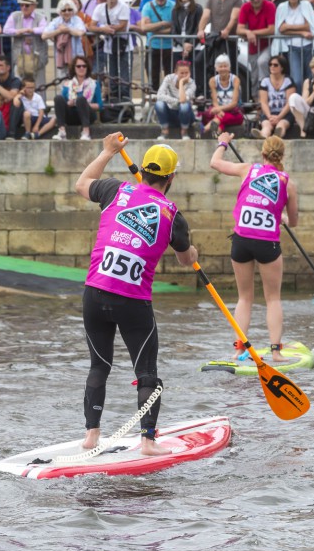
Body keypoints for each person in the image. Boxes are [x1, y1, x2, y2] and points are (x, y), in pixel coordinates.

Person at [74, 135, 199, 455]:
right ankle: (148, 441)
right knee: (146, 373)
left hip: (94, 293)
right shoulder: (173, 215)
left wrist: (107, 152)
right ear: (171, 177)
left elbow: (82, 183)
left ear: (143, 170)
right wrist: (192, 249)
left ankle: (91, 436)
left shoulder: (116, 189)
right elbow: (187, 260)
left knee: (98, 367)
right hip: (133, 302)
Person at [211, 133, 298, 363]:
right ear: (283, 155)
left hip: (241, 241)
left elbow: (215, 163)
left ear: (263, 153)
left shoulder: (248, 169)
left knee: (244, 298)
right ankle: (276, 352)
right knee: (273, 299)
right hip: (267, 243)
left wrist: (223, 143)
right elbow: (294, 220)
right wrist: (281, 218)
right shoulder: (287, 183)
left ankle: (239, 349)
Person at [272, 0, 314, 87]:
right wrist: (301, 32)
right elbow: (281, 29)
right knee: (297, 79)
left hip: (308, 46)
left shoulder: (306, 5)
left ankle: (309, 101)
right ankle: (298, 101)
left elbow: (308, 26)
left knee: (310, 77)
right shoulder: (282, 7)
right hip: (292, 47)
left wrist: (288, 26)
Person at [90, 0, 131, 101]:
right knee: (111, 74)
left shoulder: (123, 7)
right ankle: (113, 99)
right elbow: (91, 26)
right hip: (109, 46)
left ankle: (125, 100)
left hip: (123, 45)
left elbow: (122, 25)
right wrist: (103, 29)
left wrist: (107, 29)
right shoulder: (99, 8)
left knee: (124, 75)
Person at [197, 0, 243, 76]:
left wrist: (226, 31)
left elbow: (234, 17)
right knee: (199, 62)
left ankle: (231, 90)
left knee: (229, 68)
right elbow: (205, 16)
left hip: (229, 41)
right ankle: (204, 90)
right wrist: (200, 30)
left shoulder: (236, 0)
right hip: (214, 40)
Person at [3, 0, 48, 87]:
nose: (23, 7)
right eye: (21, 5)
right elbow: (6, 30)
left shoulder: (41, 17)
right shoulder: (15, 15)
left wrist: (32, 31)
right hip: (19, 57)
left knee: (39, 86)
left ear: (34, 6)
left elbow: (45, 29)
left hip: (37, 57)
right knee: (18, 85)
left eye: (27, 5)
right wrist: (19, 31)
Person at [54, 56, 101, 140]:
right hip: (72, 115)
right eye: (78, 66)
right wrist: (69, 103)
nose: (81, 68)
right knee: (58, 98)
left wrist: (86, 105)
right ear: (74, 68)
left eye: (84, 66)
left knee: (81, 99)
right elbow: (62, 104)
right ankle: (61, 131)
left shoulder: (94, 84)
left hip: (88, 115)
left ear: (87, 68)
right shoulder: (68, 84)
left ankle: (86, 132)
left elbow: (100, 105)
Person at [237, 0, 277, 83]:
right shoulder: (245, 7)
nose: (255, 0)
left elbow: (272, 29)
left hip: (269, 44)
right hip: (253, 46)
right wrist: (248, 32)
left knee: (262, 62)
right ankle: (256, 97)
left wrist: (252, 33)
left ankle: (265, 92)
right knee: (254, 75)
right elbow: (239, 29)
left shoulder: (270, 6)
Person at [140, 0, 176, 90]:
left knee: (170, 78)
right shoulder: (147, 6)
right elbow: (144, 28)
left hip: (169, 47)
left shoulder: (173, 6)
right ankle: (154, 101)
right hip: (153, 46)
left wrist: (155, 29)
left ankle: (170, 101)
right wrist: (163, 23)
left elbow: (175, 28)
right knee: (152, 77)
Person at [201, 54, 244, 138]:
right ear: (216, 68)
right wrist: (218, 110)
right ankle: (217, 134)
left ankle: (203, 130)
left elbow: (234, 103)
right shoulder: (213, 80)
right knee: (220, 118)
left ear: (229, 67)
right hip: (220, 112)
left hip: (234, 113)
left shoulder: (235, 80)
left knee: (220, 118)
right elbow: (215, 101)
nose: (223, 68)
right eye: (220, 66)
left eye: (225, 66)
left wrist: (219, 109)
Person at [153, 58, 197, 140]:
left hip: (185, 115)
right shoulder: (169, 78)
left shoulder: (191, 83)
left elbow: (183, 100)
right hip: (170, 111)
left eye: (186, 73)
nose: (184, 75)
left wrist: (181, 83)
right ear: (176, 72)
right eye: (181, 73)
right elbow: (159, 95)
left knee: (184, 106)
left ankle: (184, 132)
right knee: (159, 104)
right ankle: (165, 131)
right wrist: (176, 101)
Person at [43, 0, 88, 77]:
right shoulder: (56, 21)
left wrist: (67, 29)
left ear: (73, 10)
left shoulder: (77, 20)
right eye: (64, 10)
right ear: (60, 12)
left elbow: (80, 32)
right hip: (61, 56)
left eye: (69, 10)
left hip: (76, 56)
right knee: (62, 82)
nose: (67, 12)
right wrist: (59, 31)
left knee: (77, 81)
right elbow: (44, 35)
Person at [170, 0, 204, 82]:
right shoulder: (175, 10)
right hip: (179, 44)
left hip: (194, 43)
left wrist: (189, 44)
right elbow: (174, 30)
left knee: (194, 73)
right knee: (178, 73)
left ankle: (196, 94)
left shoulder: (198, 8)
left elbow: (198, 28)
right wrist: (183, 43)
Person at [257, 54, 296, 139]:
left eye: (275, 65)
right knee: (267, 126)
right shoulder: (265, 81)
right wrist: (270, 117)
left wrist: (279, 117)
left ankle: (276, 138)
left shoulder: (288, 80)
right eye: (270, 64)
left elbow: (289, 102)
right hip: (269, 113)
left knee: (281, 125)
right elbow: (263, 102)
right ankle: (263, 136)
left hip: (285, 114)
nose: (272, 67)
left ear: (282, 67)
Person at [14, 75, 54, 139]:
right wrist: (19, 95)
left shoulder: (38, 97)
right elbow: (16, 103)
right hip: (28, 118)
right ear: (23, 88)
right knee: (26, 113)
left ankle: (37, 134)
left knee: (54, 119)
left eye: (32, 88)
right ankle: (27, 133)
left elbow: (41, 112)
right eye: (28, 88)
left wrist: (37, 125)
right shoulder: (21, 97)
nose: (31, 90)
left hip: (38, 118)